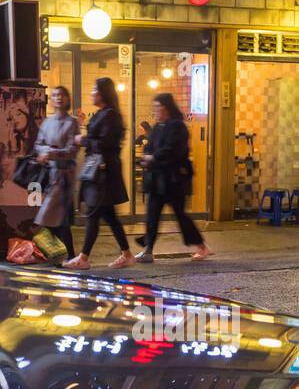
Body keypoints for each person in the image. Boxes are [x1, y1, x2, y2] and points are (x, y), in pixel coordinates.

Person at [64, 77, 134, 270]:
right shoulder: (104, 114)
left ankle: (84, 258)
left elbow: (105, 144)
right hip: (98, 171)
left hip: (103, 173)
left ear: (103, 93)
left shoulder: (110, 115)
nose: (92, 92)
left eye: (95, 89)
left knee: (94, 213)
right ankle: (127, 254)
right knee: (108, 215)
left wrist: (82, 139)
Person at [136, 93, 211, 263]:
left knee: (180, 215)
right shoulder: (157, 127)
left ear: (167, 108)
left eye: (158, 107)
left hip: (174, 180)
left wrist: (153, 158)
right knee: (152, 214)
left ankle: (201, 246)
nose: (155, 111)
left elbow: (173, 150)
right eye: (154, 107)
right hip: (157, 179)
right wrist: (148, 157)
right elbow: (150, 147)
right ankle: (148, 250)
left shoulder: (178, 127)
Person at [33, 85, 80, 259]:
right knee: (54, 217)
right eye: (54, 95)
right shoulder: (47, 122)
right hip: (50, 175)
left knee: (56, 216)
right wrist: (46, 150)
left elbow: (72, 150)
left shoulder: (72, 122)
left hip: (65, 175)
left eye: (61, 95)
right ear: (51, 100)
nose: (58, 98)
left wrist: (50, 153)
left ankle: (68, 255)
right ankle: (66, 255)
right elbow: (37, 145)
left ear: (67, 99)